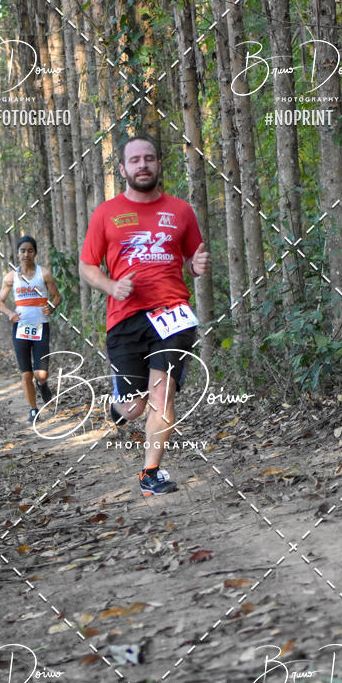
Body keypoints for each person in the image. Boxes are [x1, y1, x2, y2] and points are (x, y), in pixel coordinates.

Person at [80, 134, 211, 496]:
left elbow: (191, 260)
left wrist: (196, 266)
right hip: (124, 318)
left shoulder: (181, 212)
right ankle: (118, 407)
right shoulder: (105, 214)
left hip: (173, 315)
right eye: (135, 160)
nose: (142, 165)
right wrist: (111, 286)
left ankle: (150, 474)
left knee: (163, 394)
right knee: (135, 407)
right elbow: (87, 266)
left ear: (158, 164)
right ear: (122, 168)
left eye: (149, 158)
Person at [0, 235, 62, 423]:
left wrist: (52, 306)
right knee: (26, 373)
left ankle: (42, 384)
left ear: (35, 253)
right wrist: (9, 313)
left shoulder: (44, 273)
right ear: (18, 254)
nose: (26, 254)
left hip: (41, 326)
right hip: (20, 328)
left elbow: (57, 296)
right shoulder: (10, 277)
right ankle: (33, 409)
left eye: (30, 251)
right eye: (22, 251)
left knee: (41, 373)